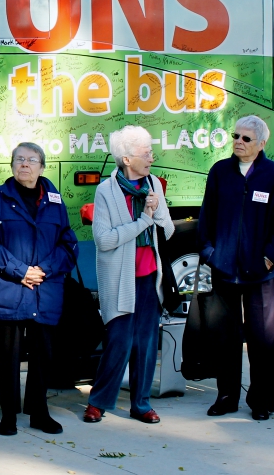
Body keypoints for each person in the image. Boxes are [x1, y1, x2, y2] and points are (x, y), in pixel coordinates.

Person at [0, 142, 78, 436]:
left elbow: (68, 244)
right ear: (11, 165)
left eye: (32, 160)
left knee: (43, 355)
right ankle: (8, 414)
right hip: (8, 290)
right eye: (19, 159)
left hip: (44, 290)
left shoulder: (55, 200)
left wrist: (43, 270)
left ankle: (39, 412)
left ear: (42, 167)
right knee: (7, 356)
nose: (25, 164)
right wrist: (21, 271)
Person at [84, 125, 174, 425]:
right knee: (119, 340)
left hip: (149, 275)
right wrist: (142, 221)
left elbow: (168, 230)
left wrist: (156, 212)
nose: (151, 157)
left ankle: (141, 404)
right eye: (145, 153)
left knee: (146, 343)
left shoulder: (154, 185)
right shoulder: (106, 191)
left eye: (150, 151)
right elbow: (104, 240)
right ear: (126, 159)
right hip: (119, 278)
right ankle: (99, 401)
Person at [197, 115, 274, 421]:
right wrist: (210, 253)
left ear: (261, 144)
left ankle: (261, 402)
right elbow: (206, 215)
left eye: (246, 138)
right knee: (226, 338)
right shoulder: (220, 171)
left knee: (262, 338)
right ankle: (226, 397)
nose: (238, 142)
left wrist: (270, 256)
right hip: (224, 269)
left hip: (260, 272)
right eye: (236, 136)